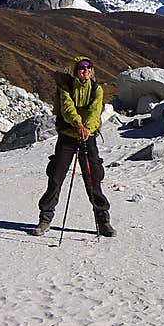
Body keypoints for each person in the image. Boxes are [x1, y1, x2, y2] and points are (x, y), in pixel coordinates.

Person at [31, 56, 116, 237]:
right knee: (56, 176)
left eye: (88, 68)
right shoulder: (66, 87)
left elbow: (95, 111)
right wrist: (79, 125)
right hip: (69, 136)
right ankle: (45, 219)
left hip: (87, 136)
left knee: (93, 179)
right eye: (82, 68)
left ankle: (103, 221)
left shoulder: (96, 89)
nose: (85, 71)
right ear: (76, 71)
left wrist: (87, 129)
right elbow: (67, 108)